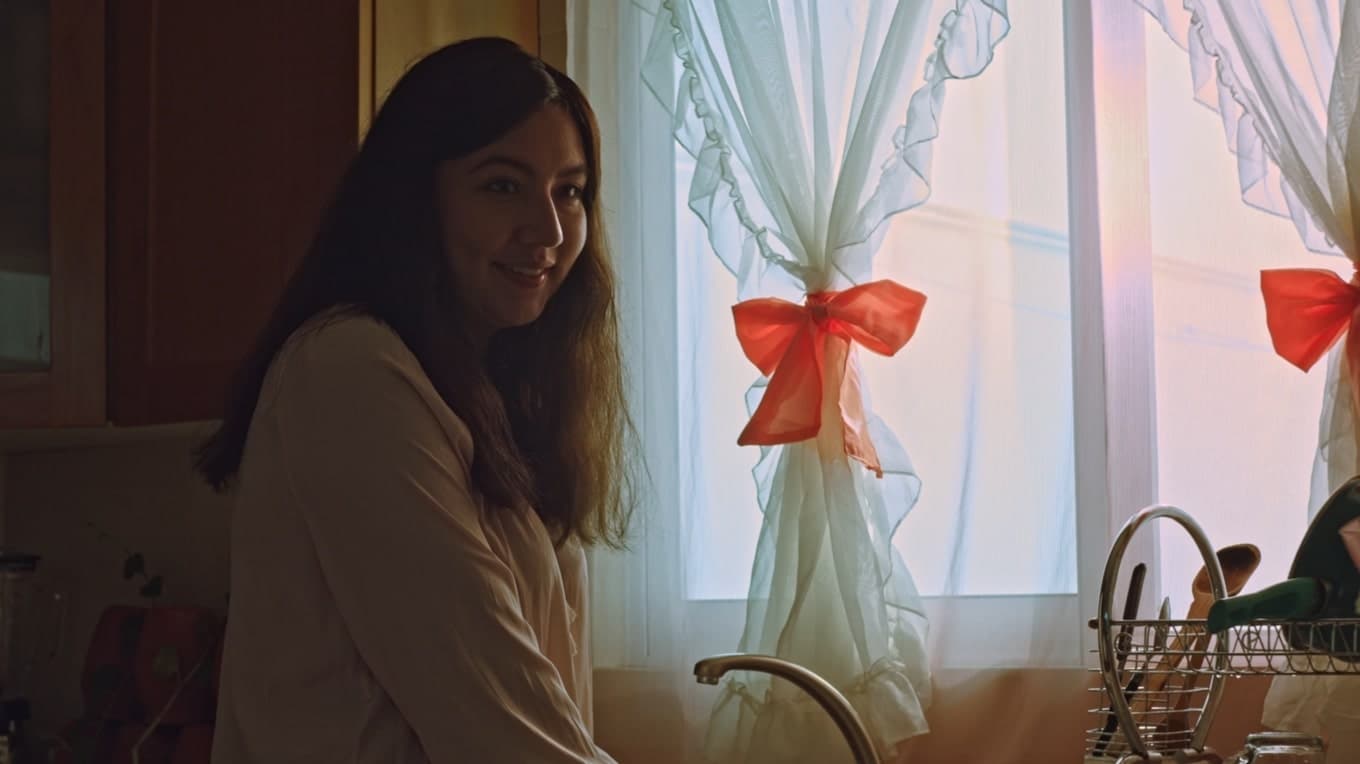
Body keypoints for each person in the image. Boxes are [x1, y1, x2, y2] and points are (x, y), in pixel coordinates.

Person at [194, 37, 633, 763]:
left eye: (570, 191)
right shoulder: (350, 369)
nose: (550, 231)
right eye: (503, 186)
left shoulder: (493, 394)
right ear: (415, 198)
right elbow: (495, 717)